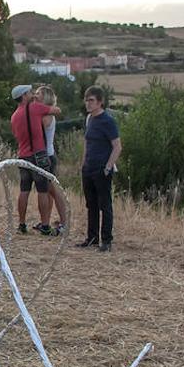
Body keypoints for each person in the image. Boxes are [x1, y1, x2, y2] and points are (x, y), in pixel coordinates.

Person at [10, 84, 60, 236]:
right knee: (42, 190)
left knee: (24, 190)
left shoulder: (14, 116)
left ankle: (22, 224)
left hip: (23, 155)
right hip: (39, 155)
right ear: (24, 96)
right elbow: (56, 111)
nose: (32, 94)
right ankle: (45, 225)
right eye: (30, 93)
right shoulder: (35, 108)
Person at [77, 86, 120, 252]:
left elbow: (117, 146)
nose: (88, 103)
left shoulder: (107, 121)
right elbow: (87, 142)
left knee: (105, 205)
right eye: (86, 100)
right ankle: (92, 238)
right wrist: (83, 163)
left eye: (91, 100)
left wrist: (108, 166)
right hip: (88, 167)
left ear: (100, 102)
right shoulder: (90, 119)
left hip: (102, 168)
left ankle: (107, 240)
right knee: (91, 204)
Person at [36, 86, 70, 235]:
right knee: (48, 191)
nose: (35, 95)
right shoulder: (46, 113)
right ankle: (46, 221)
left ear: (46, 97)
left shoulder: (47, 115)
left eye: (39, 93)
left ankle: (64, 222)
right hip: (46, 155)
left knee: (53, 190)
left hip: (47, 157)